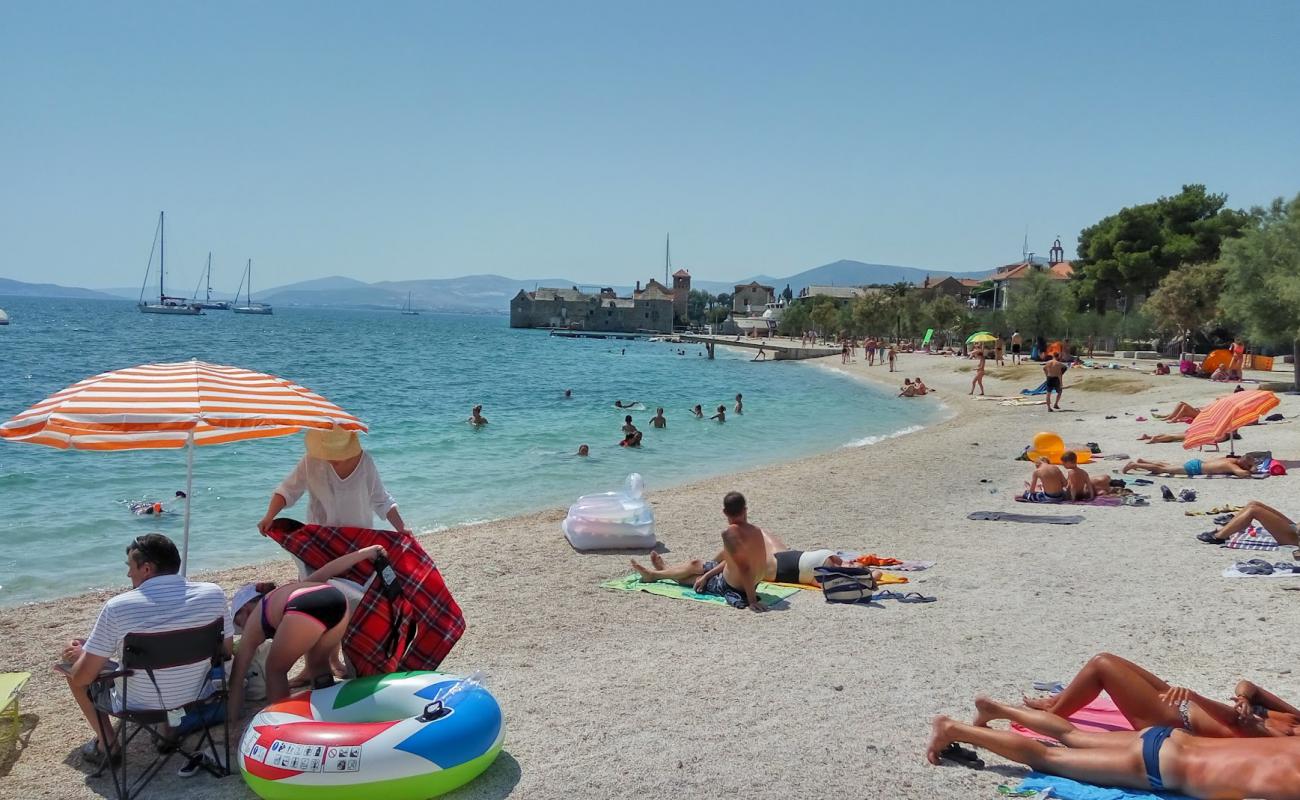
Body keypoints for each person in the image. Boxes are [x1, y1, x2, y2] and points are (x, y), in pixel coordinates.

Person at [57, 534, 232, 766]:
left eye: (131, 567)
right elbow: (226, 650)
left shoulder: (119, 607)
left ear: (147, 568)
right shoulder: (213, 594)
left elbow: (83, 677)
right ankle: (168, 732)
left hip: (137, 705)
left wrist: (84, 655)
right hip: (197, 695)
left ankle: (107, 744)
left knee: (72, 670)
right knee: (172, 659)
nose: (128, 574)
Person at [926, 711, 1300, 800]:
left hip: (1171, 740)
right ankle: (955, 730)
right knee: (1047, 759)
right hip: (1162, 767)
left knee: (1070, 736)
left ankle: (994, 707)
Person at [227, 545, 386, 714]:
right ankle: (330, 712)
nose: (242, 628)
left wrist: (232, 720)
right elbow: (329, 569)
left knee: (275, 670)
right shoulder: (289, 590)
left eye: (238, 621)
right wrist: (366, 553)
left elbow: (236, 679)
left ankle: (283, 722)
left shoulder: (254, 620)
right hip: (337, 600)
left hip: (302, 607)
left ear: (246, 608)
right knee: (318, 664)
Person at [1016, 652, 1300, 738]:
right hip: (1180, 703)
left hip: (1174, 721)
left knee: (1102, 665)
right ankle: (1058, 701)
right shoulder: (1295, 719)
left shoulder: (1290, 741)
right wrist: (1245, 698)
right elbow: (1249, 685)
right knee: (1110, 659)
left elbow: (1238, 725)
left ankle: (1052, 717)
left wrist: (1196, 697)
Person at [257, 429, 409, 537]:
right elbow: (287, 491)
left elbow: (381, 499)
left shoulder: (365, 462)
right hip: (319, 537)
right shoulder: (312, 460)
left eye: (337, 454)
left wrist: (402, 529)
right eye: (327, 453)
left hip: (358, 537)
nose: (331, 458)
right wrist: (268, 517)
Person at [1196, 500, 1300, 545]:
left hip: (1295, 539)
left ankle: (1219, 536)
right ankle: (1232, 526)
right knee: (1253, 504)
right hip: (1295, 530)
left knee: (1254, 510)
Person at [1122, 454, 1255, 478]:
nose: (1247, 468)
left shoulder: (1231, 459)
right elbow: (1242, 474)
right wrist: (1252, 470)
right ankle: (1134, 464)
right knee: (1162, 469)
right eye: (1248, 465)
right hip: (1195, 469)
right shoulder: (1230, 464)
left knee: (1166, 465)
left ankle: (1143, 461)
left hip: (1197, 463)